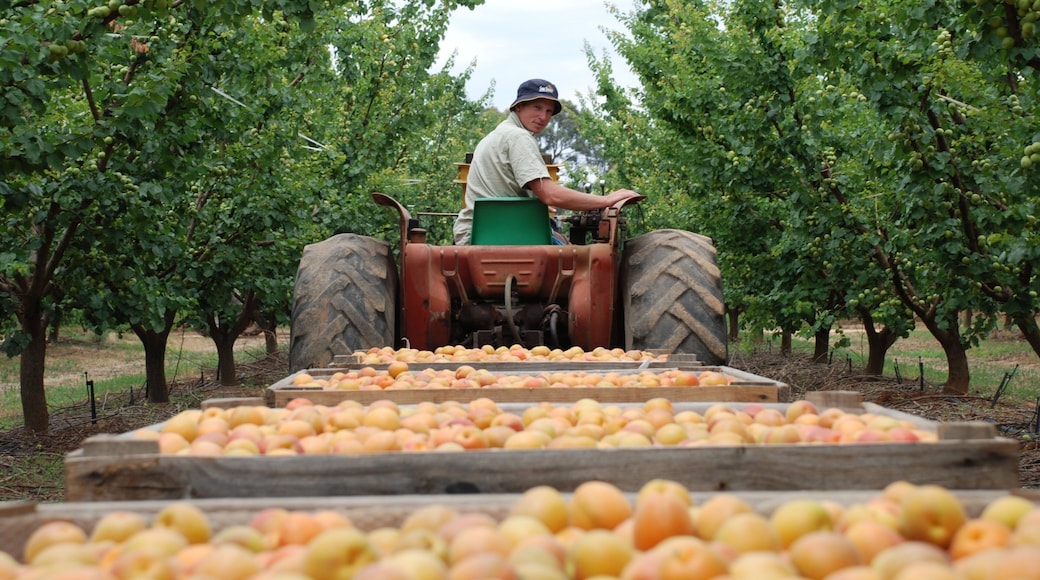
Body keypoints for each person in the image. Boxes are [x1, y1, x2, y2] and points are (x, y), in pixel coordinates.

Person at [452, 78, 643, 245]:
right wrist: (606, 200)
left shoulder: (496, 135)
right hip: (504, 235)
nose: (543, 117)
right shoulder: (519, 137)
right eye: (537, 107)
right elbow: (551, 195)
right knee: (583, 263)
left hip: (477, 233)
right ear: (519, 107)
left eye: (549, 111)